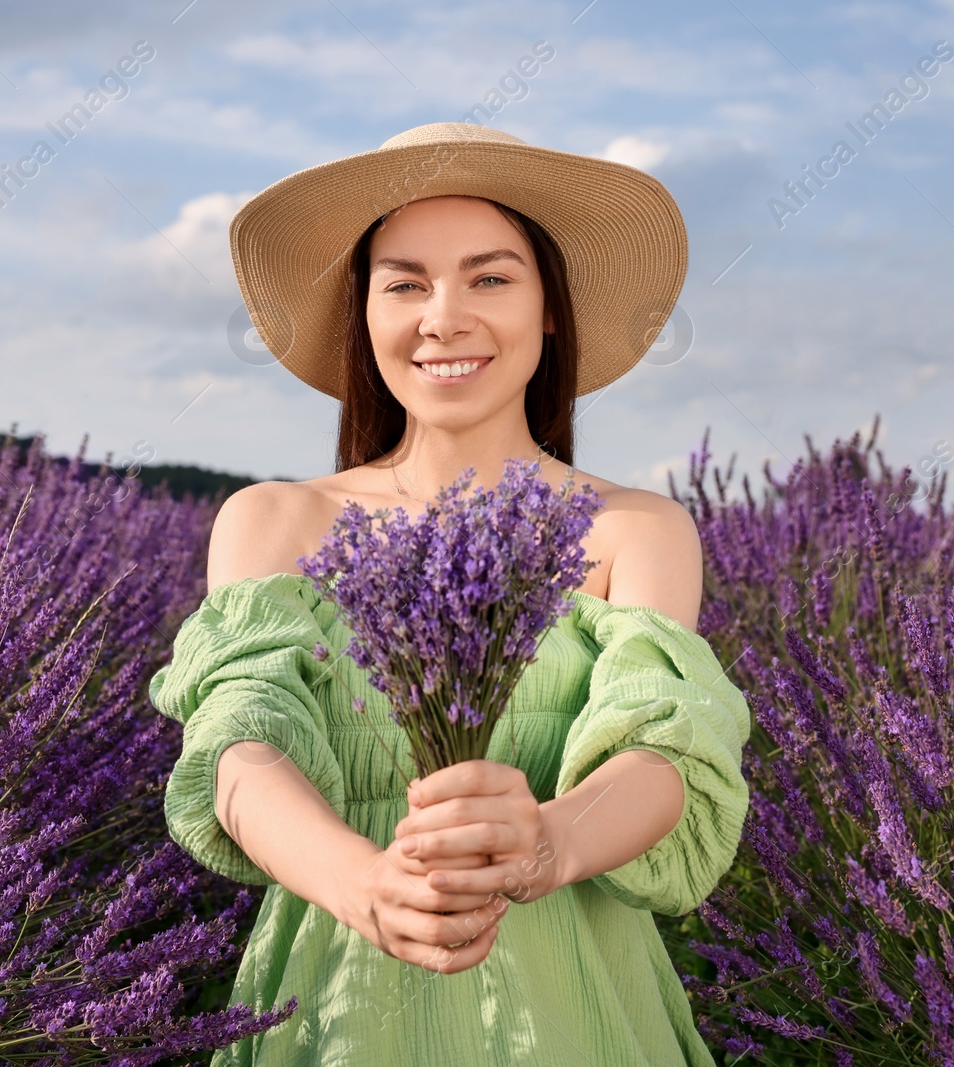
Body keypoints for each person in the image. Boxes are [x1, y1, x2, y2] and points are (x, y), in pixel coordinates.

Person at [148, 122, 752, 1066]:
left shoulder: (636, 531)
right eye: (404, 282)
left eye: (490, 277)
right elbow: (239, 743)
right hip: (338, 1009)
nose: (443, 316)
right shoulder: (276, 522)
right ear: (365, 313)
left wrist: (550, 841)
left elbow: (668, 749)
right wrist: (365, 887)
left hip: (578, 1010)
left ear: (551, 307)